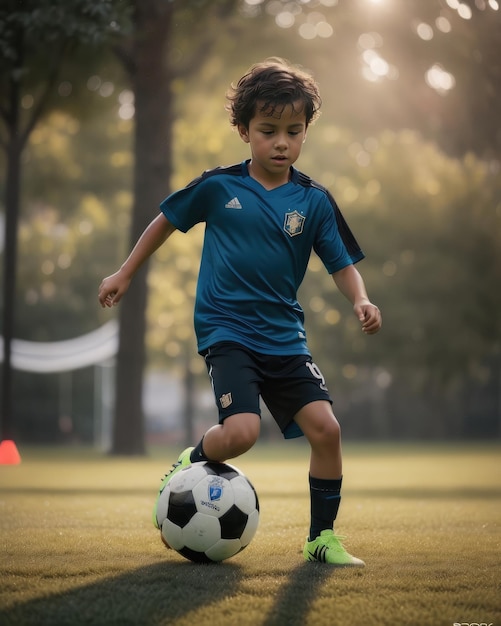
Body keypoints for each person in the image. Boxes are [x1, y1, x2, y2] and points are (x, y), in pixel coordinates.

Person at [98, 58, 382, 566]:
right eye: (268, 131)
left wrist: (360, 299)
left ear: (305, 133)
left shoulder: (314, 201)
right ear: (244, 130)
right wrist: (124, 273)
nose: (281, 143)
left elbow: (341, 264)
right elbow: (165, 220)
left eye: (294, 132)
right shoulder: (219, 186)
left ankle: (321, 539)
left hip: (284, 336)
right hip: (225, 327)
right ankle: (191, 460)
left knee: (328, 430)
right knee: (243, 434)